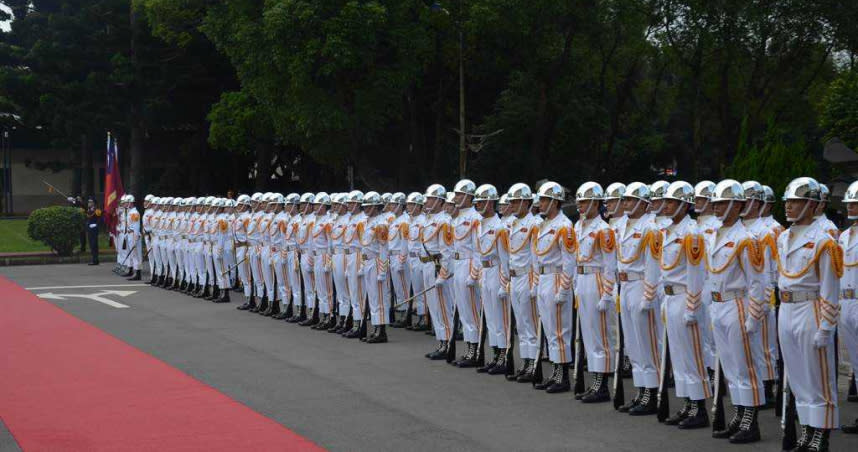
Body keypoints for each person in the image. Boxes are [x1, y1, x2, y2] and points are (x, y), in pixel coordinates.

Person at [777, 177, 841, 451]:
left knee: (817, 376)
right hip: (787, 308)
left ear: (812, 205)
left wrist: (826, 325)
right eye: (788, 201)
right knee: (798, 376)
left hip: (811, 308)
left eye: (796, 202)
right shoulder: (783, 237)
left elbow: (829, 285)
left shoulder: (823, 240)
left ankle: (821, 433)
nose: (789, 207)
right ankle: (806, 429)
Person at [707, 180, 766, 443]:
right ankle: (739, 413)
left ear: (737, 205)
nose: (717, 208)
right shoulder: (714, 233)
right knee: (730, 367)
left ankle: (750, 420)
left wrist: (754, 315)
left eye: (722, 203)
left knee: (744, 366)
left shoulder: (746, 239)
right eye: (716, 203)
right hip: (719, 305)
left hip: (738, 304)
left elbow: (758, 282)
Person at [657, 181, 711, 429]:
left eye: (670, 202)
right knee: (679, 355)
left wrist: (692, 307)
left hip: (685, 298)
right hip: (671, 297)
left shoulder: (692, 233)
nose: (665, 205)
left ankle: (699, 407)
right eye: (665, 201)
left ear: (684, 204)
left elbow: (696, 274)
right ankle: (688, 403)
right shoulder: (668, 231)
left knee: (692, 354)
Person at [840, 180, 858, 435]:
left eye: (855, 203)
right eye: (850, 203)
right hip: (846, 302)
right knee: (856, 361)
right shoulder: (843, 236)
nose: (851, 206)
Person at [86, 198, 102, 265]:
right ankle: (94, 259)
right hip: (89, 229)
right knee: (91, 245)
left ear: (94, 203)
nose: (89, 203)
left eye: (90, 202)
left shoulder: (97, 210)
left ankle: (95, 260)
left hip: (94, 229)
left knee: (94, 244)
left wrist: (96, 224)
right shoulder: (89, 210)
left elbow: (100, 219)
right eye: (88, 202)